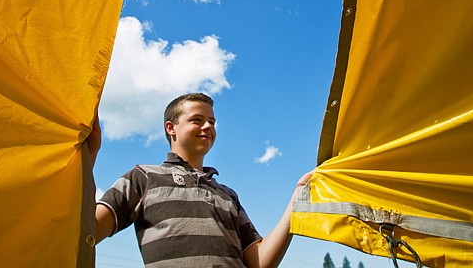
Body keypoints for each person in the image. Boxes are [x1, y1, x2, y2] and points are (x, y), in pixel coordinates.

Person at [87, 93, 312, 267]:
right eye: (197, 120)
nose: (208, 127)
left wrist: (297, 199)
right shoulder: (143, 177)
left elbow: (260, 262)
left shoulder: (228, 195)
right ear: (171, 128)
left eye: (212, 122)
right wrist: (88, 158)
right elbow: (88, 231)